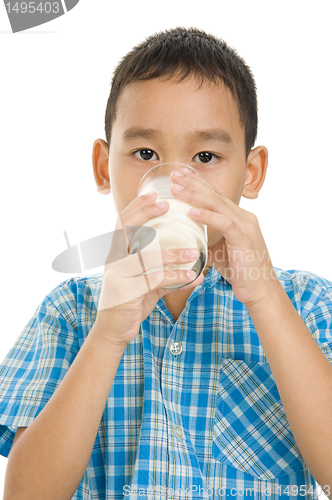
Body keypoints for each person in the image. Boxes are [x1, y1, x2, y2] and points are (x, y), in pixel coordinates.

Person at [1, 27, 332, 500]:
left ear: (251, 172)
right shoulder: (71, 314)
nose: (177, 183)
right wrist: (109, 332)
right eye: (146, 154)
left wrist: (264, 297)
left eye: (205, 156)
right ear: (103, 166)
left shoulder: (306, 304)